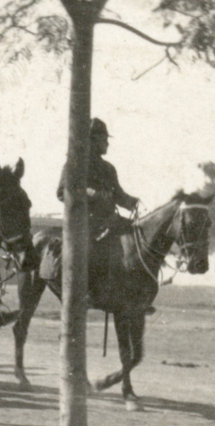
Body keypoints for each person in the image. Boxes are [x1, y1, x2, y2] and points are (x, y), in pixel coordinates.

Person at [57, 118, 149, 311]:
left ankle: (133, 295)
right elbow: (62, 192)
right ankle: (88, 292)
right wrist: (92, 194)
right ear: (91, 140)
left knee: (136, 239)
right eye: (103, 139)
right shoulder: (74, 164)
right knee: (89, 249)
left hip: (108, 221)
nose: (107, 143)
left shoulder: (108, 168)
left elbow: (118, 195)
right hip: (84, 223)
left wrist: (131, 201)